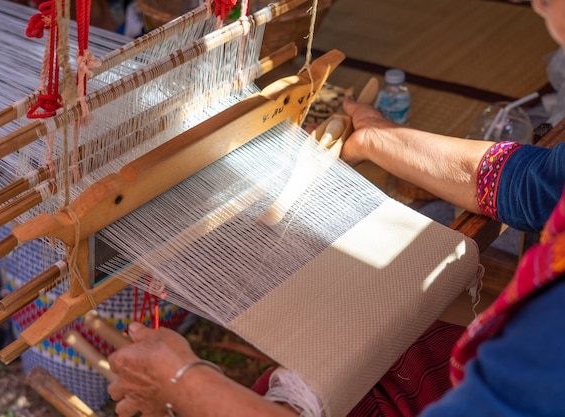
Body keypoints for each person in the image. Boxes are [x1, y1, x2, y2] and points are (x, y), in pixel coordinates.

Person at [107, 0, 565, 415]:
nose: (540, 6)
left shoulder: (543, 347)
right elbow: (541, 183)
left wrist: (184, 385)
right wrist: (378, 139)